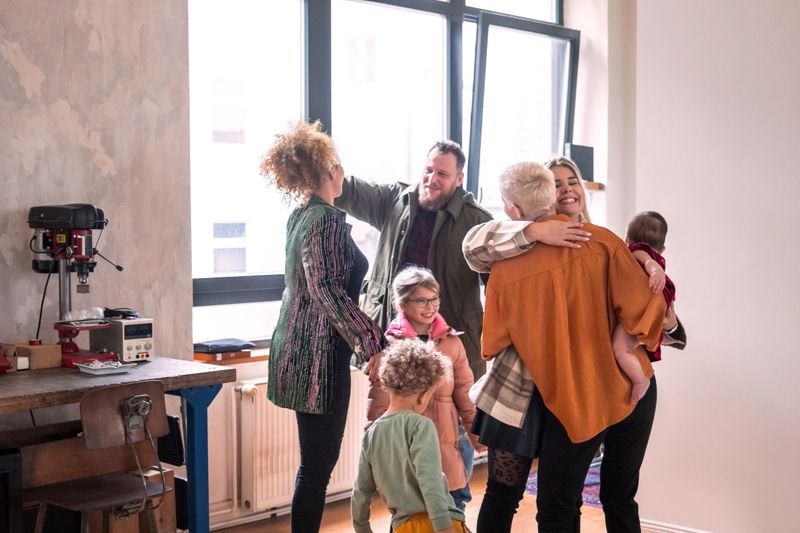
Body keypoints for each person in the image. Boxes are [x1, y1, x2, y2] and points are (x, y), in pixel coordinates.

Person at [477, 161, 666, 532]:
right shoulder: (605, 243)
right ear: (551, 194)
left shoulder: (506, 270)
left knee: (557, 508)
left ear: (513, 211)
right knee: (620, 497)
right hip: (630, 388)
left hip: (573, 399)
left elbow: (494, 339)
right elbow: (646, 309)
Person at [334, 141, 590, 379]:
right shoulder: (394, 201)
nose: (431, 179)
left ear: (459, 179)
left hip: (451, 345)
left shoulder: (475, 220)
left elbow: (500, 287)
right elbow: (346, 190)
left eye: (442, 174)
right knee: (388, 418)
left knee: (448, 421)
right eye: (428, 170)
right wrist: (318, 162)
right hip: (392, 338)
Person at [259, 121, 385, 533]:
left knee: (312, 466)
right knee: (317, 468)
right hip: (318, 360)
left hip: (294, 349)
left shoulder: (300, 216)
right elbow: (326, 290)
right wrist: (372, 343)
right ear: (330, 170)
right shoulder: (327, 220)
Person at [364, 266, 483, 511]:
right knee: (410, 514)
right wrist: (374, 449)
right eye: (421, 300)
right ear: (402, 304)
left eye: (434, 299)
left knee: (453, 506)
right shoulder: (389, 346)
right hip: (407, 449)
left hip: (449, 443)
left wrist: (478, 436)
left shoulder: (452, 342)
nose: (430, 307)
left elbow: (465, 391)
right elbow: (379, 404)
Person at [352, 338, 468, 533]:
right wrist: (443, 527)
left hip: (402, 527)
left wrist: (362, 528)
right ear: (424, 395)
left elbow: (360, 491)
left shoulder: (371, 434)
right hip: (434, 524)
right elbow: (429, 480)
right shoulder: (421, 426)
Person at [611, 211, 678, 403]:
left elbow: (649, 262)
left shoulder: (637, 251)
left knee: (620, 349)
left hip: (638, 311)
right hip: (644, 311)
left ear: (627, 240)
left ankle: (640, 380)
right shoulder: (650, 256)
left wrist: (656, 271)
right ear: (663, 248)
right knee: (626, 347)